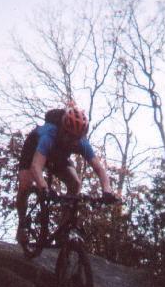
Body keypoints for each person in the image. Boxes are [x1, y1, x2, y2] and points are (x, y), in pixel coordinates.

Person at [16, 102, 116, 247]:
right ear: (62, 129)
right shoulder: (48, 134)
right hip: (33, 149)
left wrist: (107, 191)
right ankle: (22, 224)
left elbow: (99, 169)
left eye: (76, 138)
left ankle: (63, 230)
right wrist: (44, 187)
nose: (73, 141)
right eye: (69, 136)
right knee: (25, 185)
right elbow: (36, 167)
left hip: (58, 155)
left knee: (75, 184)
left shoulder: (81, 143)